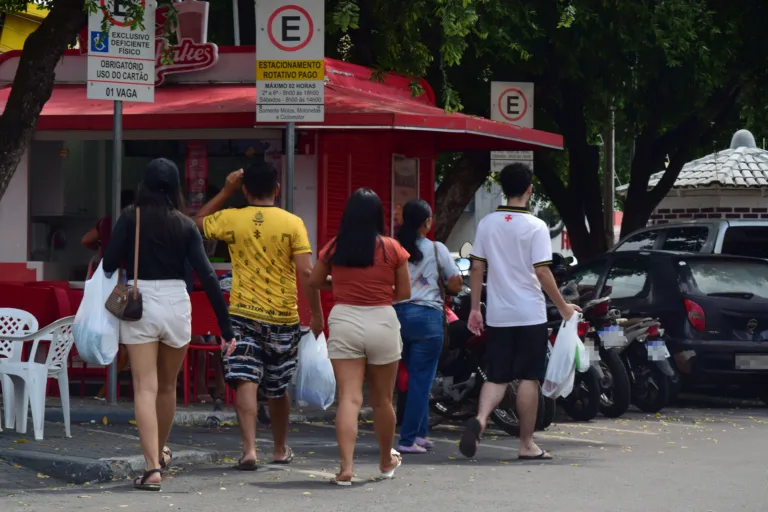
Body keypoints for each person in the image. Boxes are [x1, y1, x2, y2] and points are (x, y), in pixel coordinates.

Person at [102, 158, 235, 491]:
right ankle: (160, 450)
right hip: (177, 303)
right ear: (176, 187)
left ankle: (152, 469)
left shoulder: (130, 218)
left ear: (145, 184)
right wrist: (227, 328)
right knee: (167, 386)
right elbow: (207, 274)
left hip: (140, 302)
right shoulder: (185, 225)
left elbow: (107, 263)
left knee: (144, 387)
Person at [195, 162, 323, 470]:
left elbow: (197, 221)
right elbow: (306, 272)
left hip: (241, 315)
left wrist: (225, 190)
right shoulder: (293, 223)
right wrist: (316, 314)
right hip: (282, 316)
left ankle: (249, 450)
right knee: (278, 388)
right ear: (277, 190)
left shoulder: (232, 219)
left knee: (245, 382)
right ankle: (279, 449)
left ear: (245, 190)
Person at [458, 163, 579, 461]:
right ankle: (526, 444)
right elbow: (542, 273)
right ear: (529, 190)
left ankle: (482, 419)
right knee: (527, 378)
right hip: (529, 315)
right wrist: (563, 307)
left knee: (497, 376)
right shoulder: (536, 227)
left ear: (502, 189)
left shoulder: (487, 223)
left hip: (498, 314)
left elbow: (476, 267)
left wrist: (475, 308)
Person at [308, 188, 411, 485]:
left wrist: (339, 285)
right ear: (378, 214)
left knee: (349, 400)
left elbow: (314, 281)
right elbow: (404, 292)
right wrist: (376, 291)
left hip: (344, 320)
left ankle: (346, 469)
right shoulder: (393, 248)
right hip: (382, 320)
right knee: (382, 402)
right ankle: (384, 460)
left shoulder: (335, 247)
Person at [393, 199, 462, 453]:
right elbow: (454, 283)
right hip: (427, 318)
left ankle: (420, 433)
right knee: (422, 379)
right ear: (426, 223)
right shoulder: (436, 249)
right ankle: (408, 439)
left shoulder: (394, 247)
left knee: (410, 376)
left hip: (397, 316)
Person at [82, 189, 135, 275]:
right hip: (124, 270)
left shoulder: (105, 221)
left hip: (106, 271)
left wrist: (101, 245)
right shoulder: (131, 221)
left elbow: (86, 240)